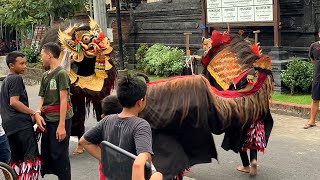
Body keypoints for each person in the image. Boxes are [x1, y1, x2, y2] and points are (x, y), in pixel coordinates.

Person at [79, 75, 153, 179]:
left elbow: (84, 141)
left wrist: (107, 161)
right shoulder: (141, 125)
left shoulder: (107, 120)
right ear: (140, 102)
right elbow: (143, 160)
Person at [34, 42, 73, 180]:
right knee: (49, 151)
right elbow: (42, 98)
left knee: (60, 154)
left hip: (60, 119)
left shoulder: (61, 73)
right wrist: (37, 112)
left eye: (42, 54)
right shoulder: (45, 75)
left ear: (49, 55)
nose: (41, 57)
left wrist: (62, 125)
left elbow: (63, 100)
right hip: (48, 119)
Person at [0, 51, 41, 178]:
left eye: (25, 63)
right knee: (30, 160)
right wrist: (33, 112)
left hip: (9, 126)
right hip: (21, 125)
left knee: (16, 161)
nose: (24, 66)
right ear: (11, 65)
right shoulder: (16, 78)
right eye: (21, 63)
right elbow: (14, 102)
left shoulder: (6, 80)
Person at [305, 29, 320, 129]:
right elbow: (313, 60)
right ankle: (312, 121)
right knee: (315, 100)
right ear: (319, 34)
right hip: (318, 78)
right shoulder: (313, 46)